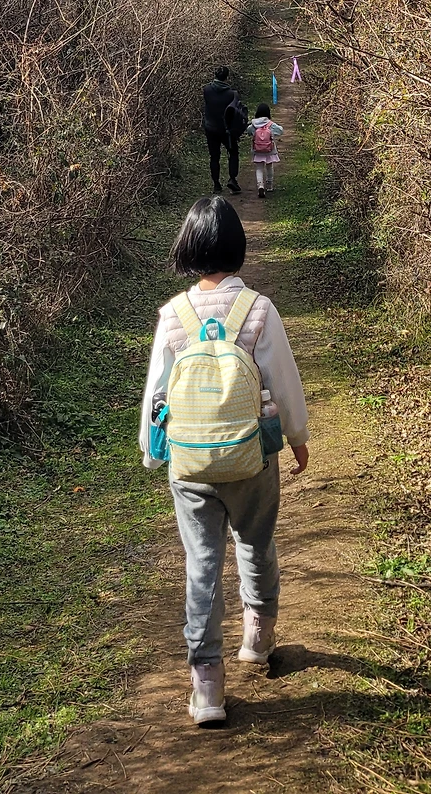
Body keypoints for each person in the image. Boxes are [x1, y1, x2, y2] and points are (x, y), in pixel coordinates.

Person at [139, 196, 310, 727]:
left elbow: (157, 392)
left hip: (190, 463)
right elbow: (283, 380)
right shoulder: (259, 309)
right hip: (252, 456)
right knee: (256, 541)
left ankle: (207, 683)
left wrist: (152, 449)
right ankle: (257, 637)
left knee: (202, 563)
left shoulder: (173, 315)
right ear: (239, 247)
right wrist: (297, 437)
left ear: (188, 248)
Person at [201, 64, 243, 194]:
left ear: (215, 75)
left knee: (214, 156)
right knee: (233, 153)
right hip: (227, 130)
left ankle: (216, 184)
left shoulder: (207, 90)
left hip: (210, 128)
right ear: (227, 77)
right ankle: (232, 179)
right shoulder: (232, 94)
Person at [248, 103, 283, 198]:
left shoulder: (254, 124)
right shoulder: (270, 124)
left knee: (259, 168)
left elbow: (248, 131)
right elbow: (280, 130)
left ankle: (260, 185)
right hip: (269, 150)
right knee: (269, 166)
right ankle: (269, 185)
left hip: (257, 150)